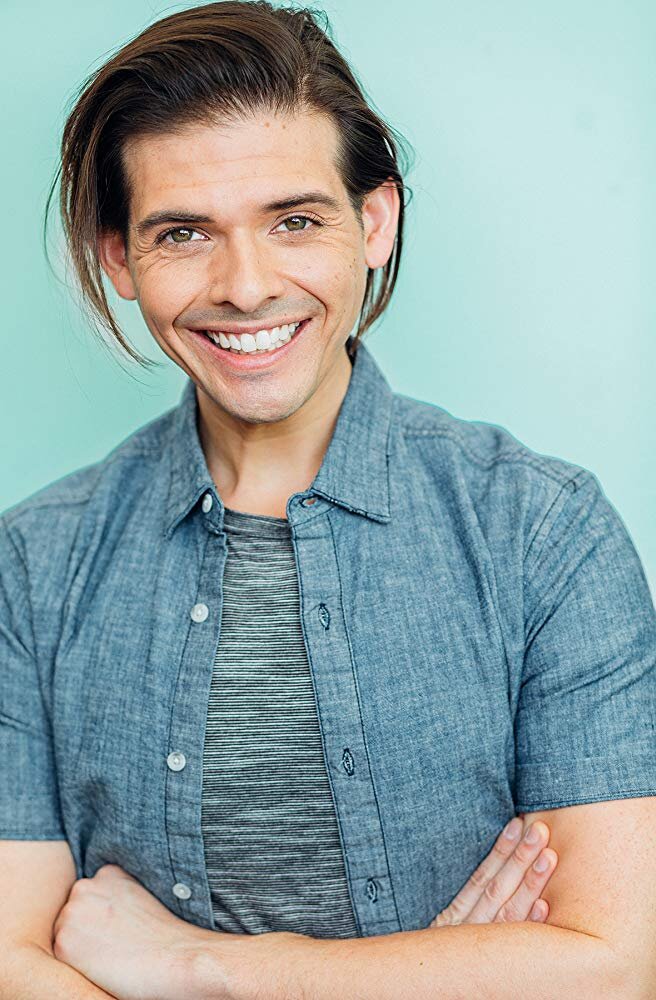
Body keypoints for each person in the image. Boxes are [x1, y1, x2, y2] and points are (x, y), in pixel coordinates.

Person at [1, 2, 655, 997]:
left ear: (373, 222)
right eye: (184, 233)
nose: (246, 285)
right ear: (119, 258)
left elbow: (615, 964)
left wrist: (200, 968)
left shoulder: (541, 532)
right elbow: (12, 960)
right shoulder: (34, 566)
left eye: (295, 221)